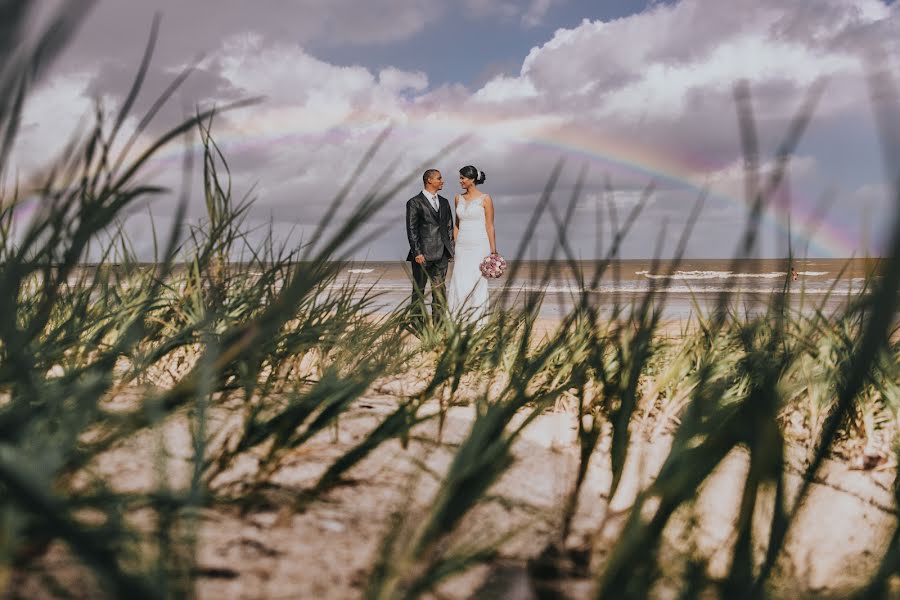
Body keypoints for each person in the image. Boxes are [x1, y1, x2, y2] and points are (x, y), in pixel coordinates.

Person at [446, 165, 497, 325]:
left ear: (472, 179)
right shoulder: (457, 198)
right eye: (460, 177)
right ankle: (458, 320)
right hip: (461, 246)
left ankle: (477, 322)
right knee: (459, 279)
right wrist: (454, 245)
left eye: (463, 178)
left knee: (477, 280)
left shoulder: (485, 199)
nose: (460, 181)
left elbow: (489, 226)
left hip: (479, 245)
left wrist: (493, 250)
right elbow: (457, 225)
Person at [406, 169, 454, 333]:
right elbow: (411, 229)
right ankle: (417, 324)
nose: (442, 181)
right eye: (439, 178)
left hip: (442, 254)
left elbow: (449, 227)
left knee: (440, 291)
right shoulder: (414, 202)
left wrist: (450, 250)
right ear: (429, 180)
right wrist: (417, 252)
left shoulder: (445, 202)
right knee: (419, 290)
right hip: (422, 255)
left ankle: (440, 326)